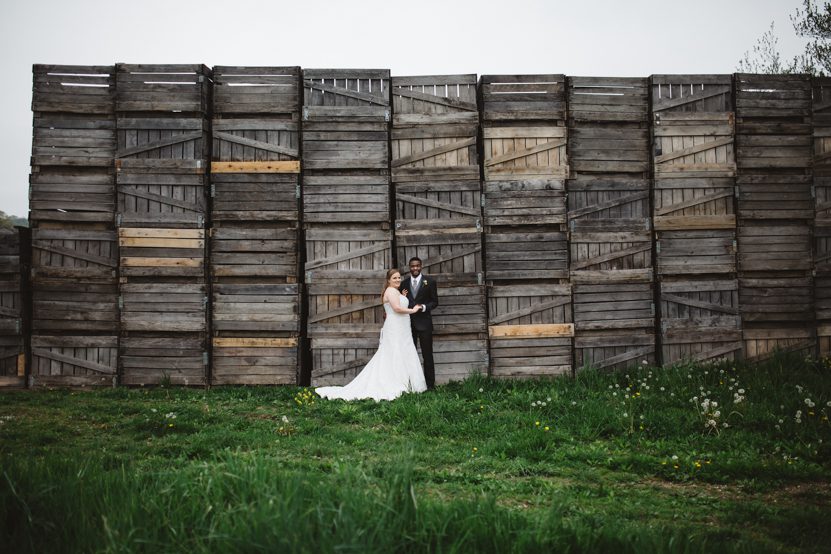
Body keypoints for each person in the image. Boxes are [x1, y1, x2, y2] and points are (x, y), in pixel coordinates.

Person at [316, 269, 427, 401]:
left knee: (403, 350)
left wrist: (402, 296)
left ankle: (405, 382)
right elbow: (397, 308)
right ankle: (395, 382)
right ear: (388, 280)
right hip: (396, 326)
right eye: (394, 278)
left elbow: (397, 303)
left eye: (399, 278)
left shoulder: (395, 291)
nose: (398, 280)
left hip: (403, 326)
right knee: (394, 351)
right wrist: (413, 310)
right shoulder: (391, 291)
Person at [400, 257, 438, 390]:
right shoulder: (403, 283)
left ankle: (430, 385)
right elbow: (400, 302)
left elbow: (435, 302)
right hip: (408, 324)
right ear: (409, 267)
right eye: (412, 266)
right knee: (410, 355)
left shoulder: (430, 282)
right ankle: (411, 385)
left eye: (417, 266)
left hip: (425, 324)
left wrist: (423, 307)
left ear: (421, 266)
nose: (415, 268)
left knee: (427, 355)